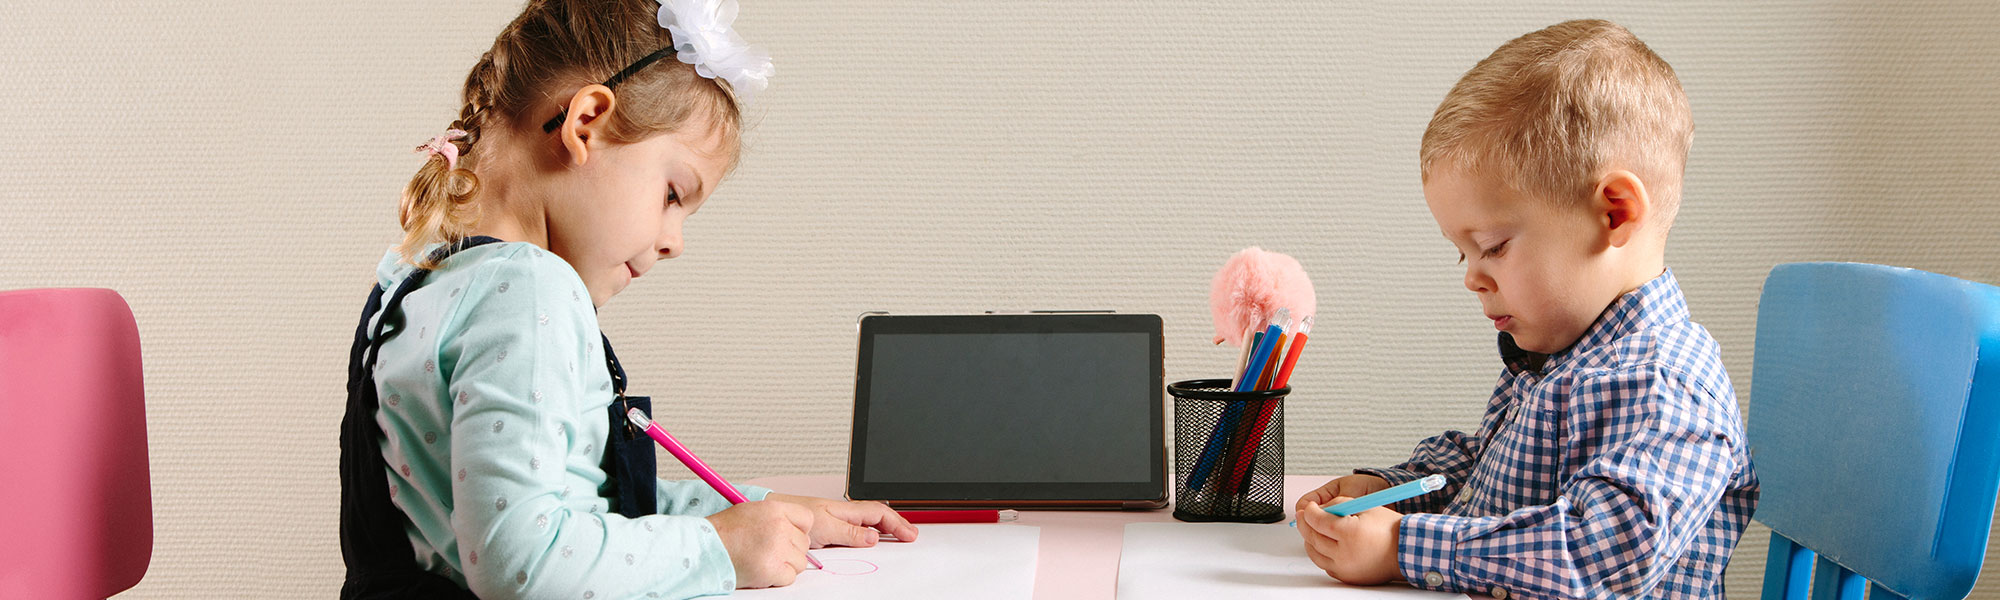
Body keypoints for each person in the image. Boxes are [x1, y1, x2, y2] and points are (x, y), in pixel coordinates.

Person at [1294, 19, 1758, 598]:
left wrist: (1402, 547)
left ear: (1614, 214)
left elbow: (1598, 551)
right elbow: (1482, 469)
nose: (1472, 277)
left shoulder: (1670, 384)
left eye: (1491, 248)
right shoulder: (1558, 354)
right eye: (1461, 253)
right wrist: (1387, 490)